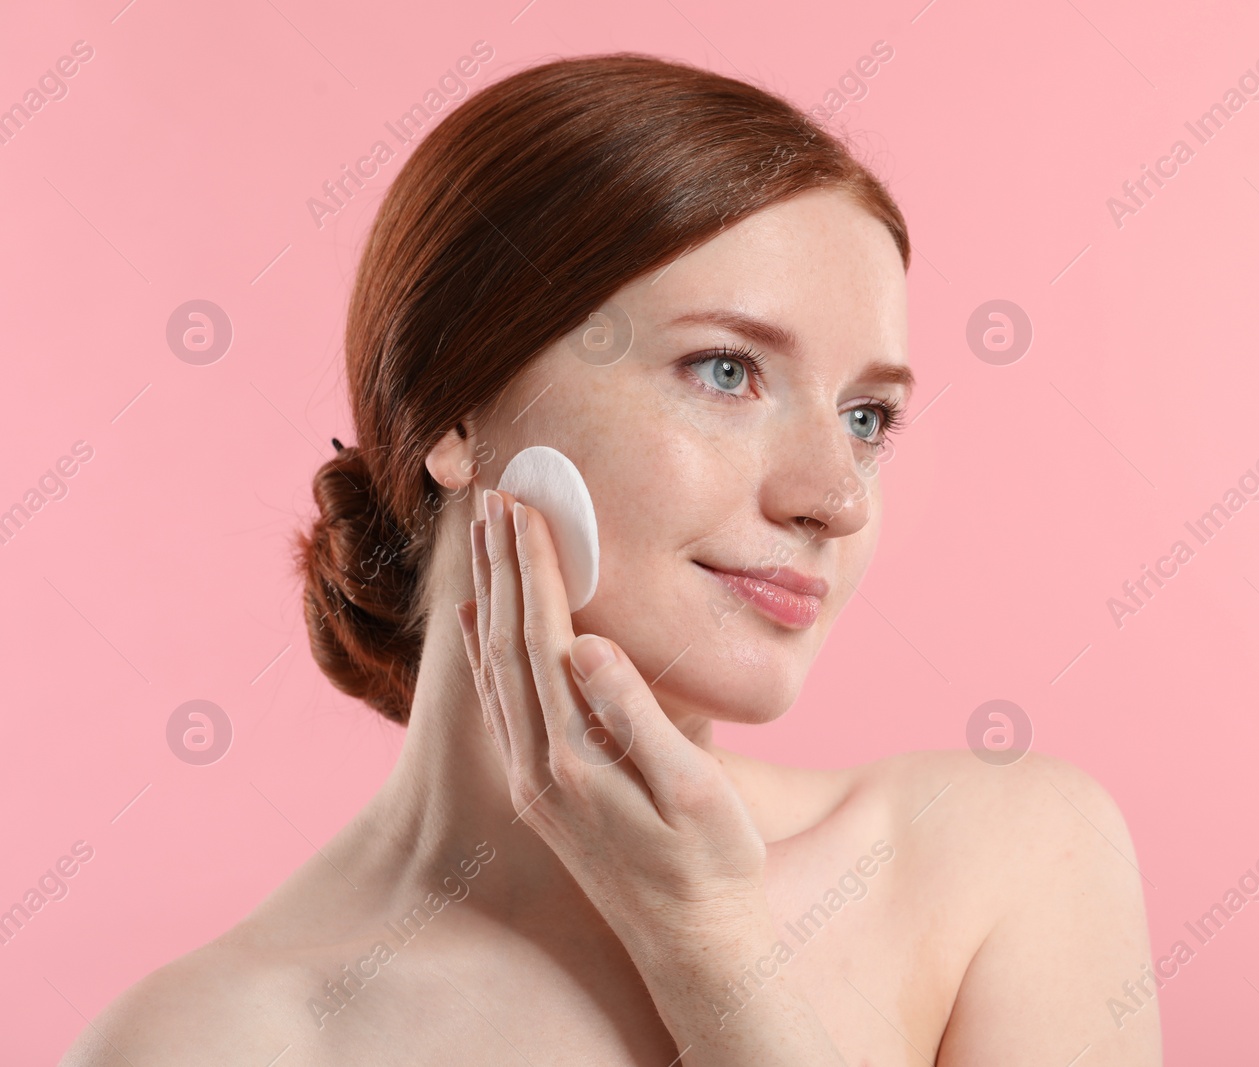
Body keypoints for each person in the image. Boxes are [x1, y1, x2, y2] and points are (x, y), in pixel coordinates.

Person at [61, 52, 1159, 1065]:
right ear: (454, 410)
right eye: (725, 370)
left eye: (868, 417)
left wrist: (713, 954)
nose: (834, 498)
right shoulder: (210, 1040)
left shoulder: (996, 861)